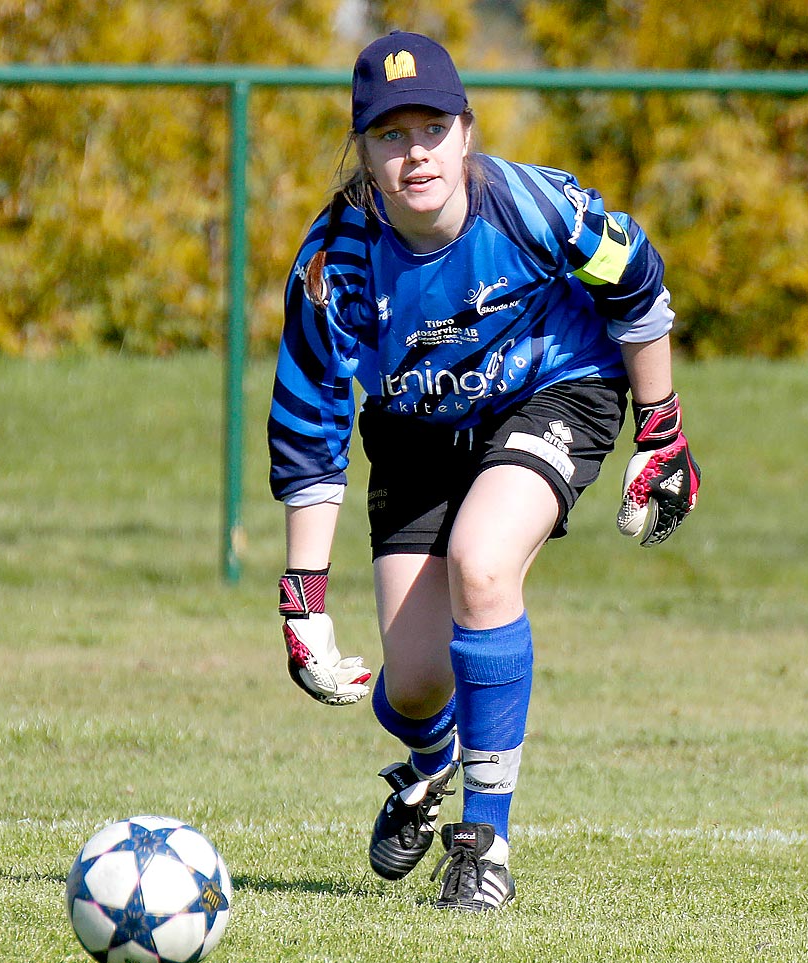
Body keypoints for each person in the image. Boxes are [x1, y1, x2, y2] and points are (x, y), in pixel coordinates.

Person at [268, 30, 700, 912]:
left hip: (553, 392)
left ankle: (485, 844)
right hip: (417, 436)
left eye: (432, 127)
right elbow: (310, 422)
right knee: (418, 681)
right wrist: (304, 594)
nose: (414, 152)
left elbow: (636, 284)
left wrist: (660, 428)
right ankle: (426, 774)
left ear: (466, 132)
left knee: (483, 563)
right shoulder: (332, 266)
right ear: (363, 150)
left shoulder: (536, 207)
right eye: (390, 135)